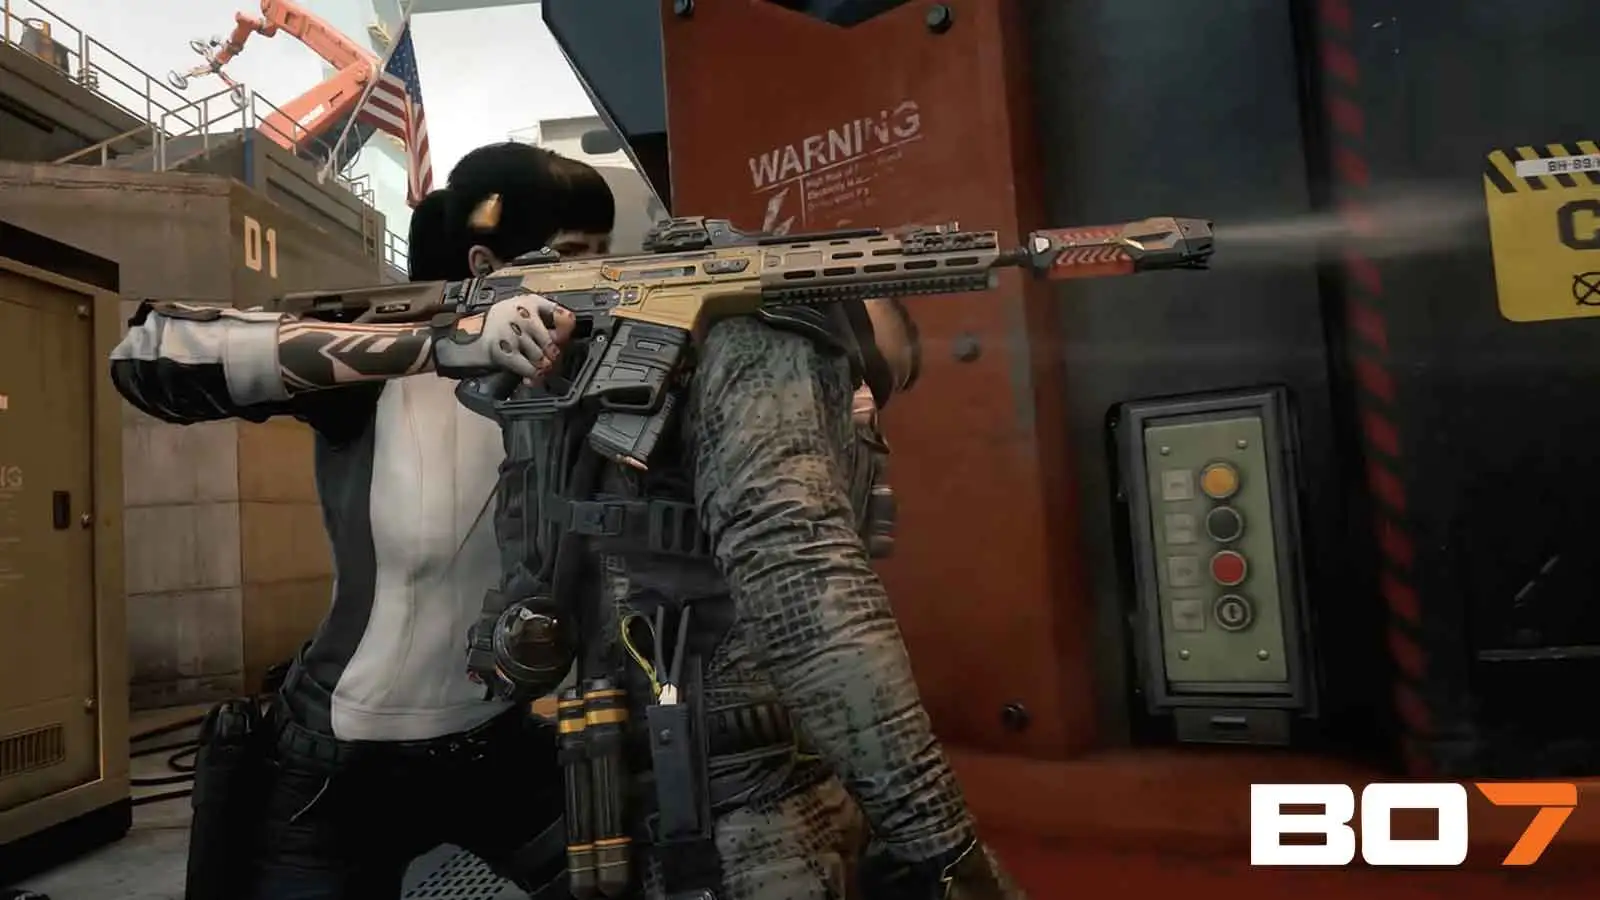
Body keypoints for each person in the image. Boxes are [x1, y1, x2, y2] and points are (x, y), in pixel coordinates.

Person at [109, 142, 616, 900]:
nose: (602, 279)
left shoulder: (594, 383)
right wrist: (443, 344)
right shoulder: (384, 374)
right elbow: (151, 351)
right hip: (339, 766)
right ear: (485, 266)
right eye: (575, 257)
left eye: (606, 256)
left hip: (500, 747)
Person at [465, 215, 1025, 897]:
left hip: (689, 783)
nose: (862, 408)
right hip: (738, 820)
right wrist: (945, 845)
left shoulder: (648, 354)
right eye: (867, 380)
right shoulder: (774, 328)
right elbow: (805, 596)